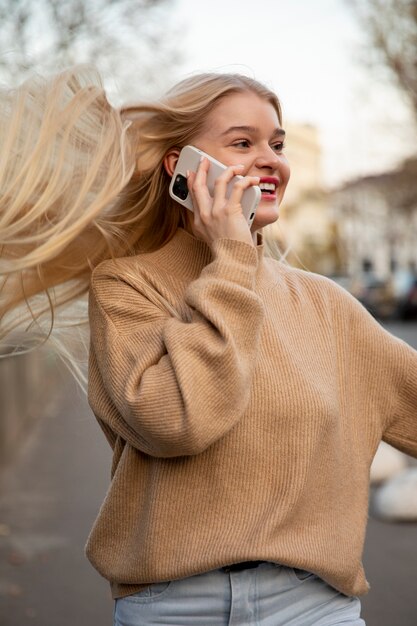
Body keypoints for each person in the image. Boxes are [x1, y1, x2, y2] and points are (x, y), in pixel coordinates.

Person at [1, 66, 417, 626]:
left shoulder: (327, 304)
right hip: (173, 607)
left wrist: (235, 257)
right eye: (243, 143)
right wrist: (232, 260)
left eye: (278, 143)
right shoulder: (128, 286)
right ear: (182, 169)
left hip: (312, 606)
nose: (271, 159)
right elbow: (179, 420)